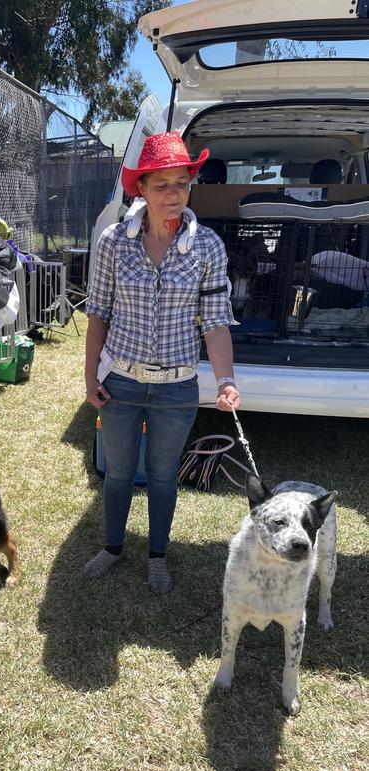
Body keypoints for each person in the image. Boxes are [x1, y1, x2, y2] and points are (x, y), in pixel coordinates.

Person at [83, 132, 241, 593]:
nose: (173, 194)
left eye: (182, 182)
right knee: (116, 471)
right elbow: (99, 312)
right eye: (161, 185)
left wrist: (226, 378)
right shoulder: (114, 242)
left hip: (177, 387)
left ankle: (157, 555)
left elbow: (215, 321)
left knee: (162, 474)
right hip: (122, 383)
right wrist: (90, 375)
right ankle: (113, 547)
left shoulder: (208, 247)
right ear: (141, 189)